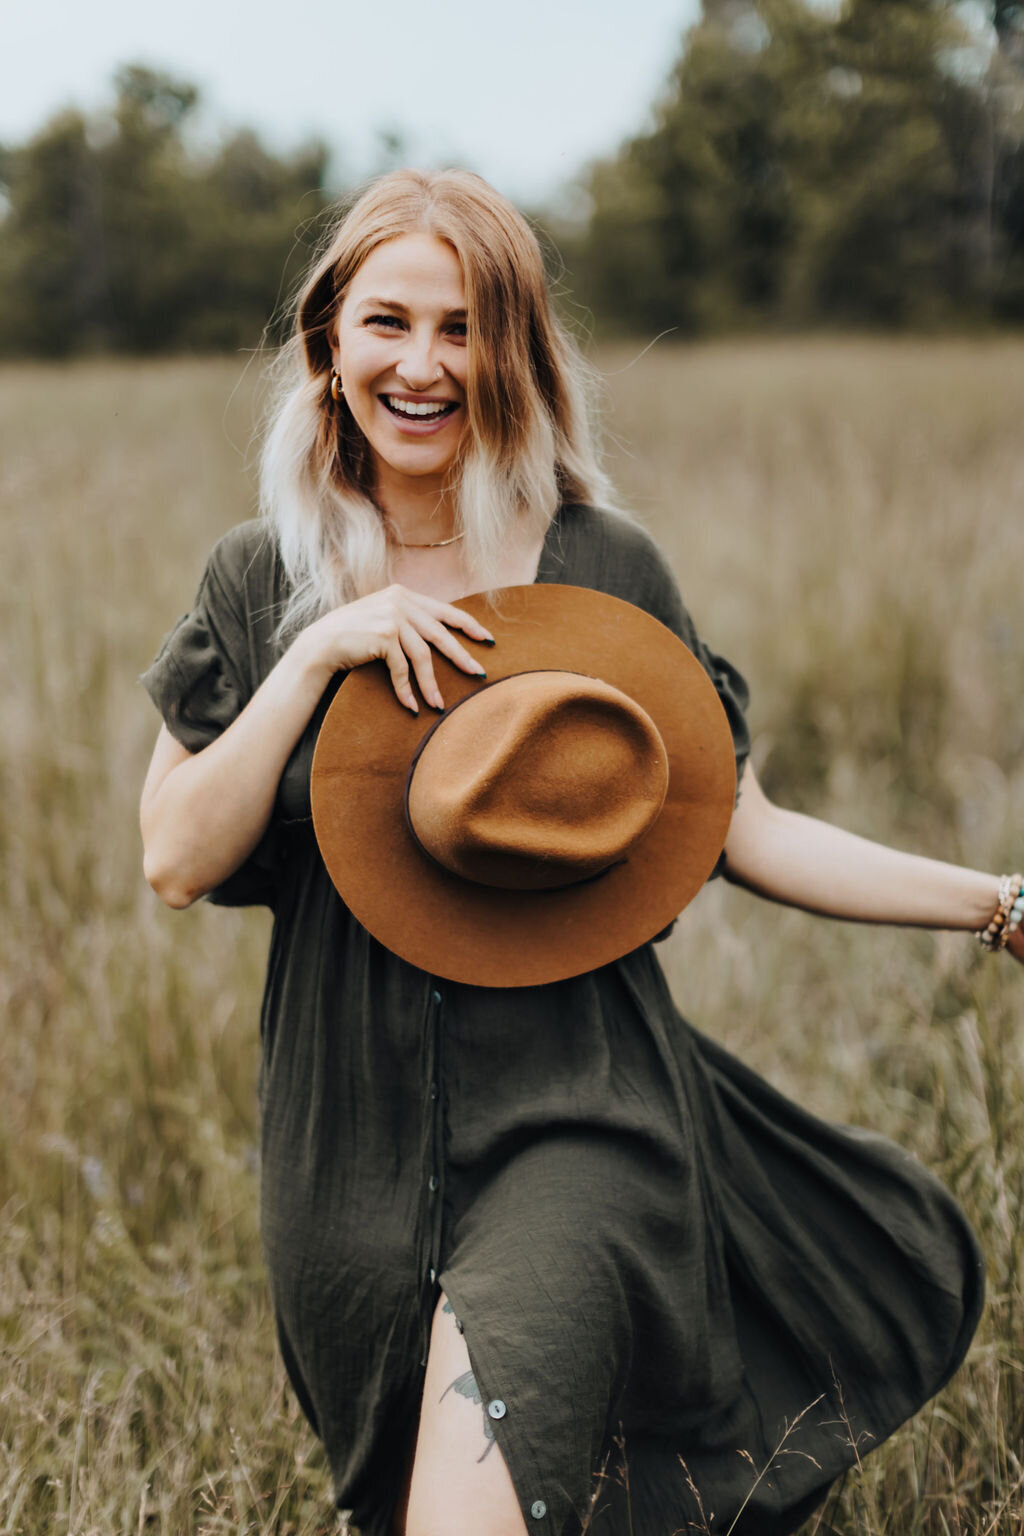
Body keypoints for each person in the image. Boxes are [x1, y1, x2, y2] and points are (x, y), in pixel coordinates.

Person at [139, 168, 1019, 1536]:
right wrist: (320, 652)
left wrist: (997, 902)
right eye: (388, 322)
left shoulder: (605, 572)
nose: (423, 365)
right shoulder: (262, 583)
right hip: (345, 1147)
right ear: (329, 342)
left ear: (517, 353)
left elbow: (745, 831)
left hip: (579, 1112)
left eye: (465, 326)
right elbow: (178, 858)